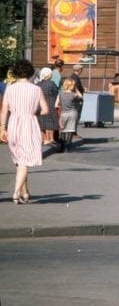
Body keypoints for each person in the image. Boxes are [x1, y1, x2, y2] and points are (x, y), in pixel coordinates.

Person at [0, 59, 48, 204]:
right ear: (30, 72)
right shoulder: (36, 89)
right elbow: (45, 110)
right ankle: (16, 192)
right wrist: (33, 113)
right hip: (29, 123)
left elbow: (4, 110)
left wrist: (2, 128)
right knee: (25, 160)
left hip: (13, 123)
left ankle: (25, 192)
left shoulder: (10, 88)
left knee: (19, 159)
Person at [56, 78, 82, 152]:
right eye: (73, 85)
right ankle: (68, 146)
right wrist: (76, 89)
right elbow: (81, 96)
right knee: (70, 129)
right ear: (70, 85)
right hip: (73, 113)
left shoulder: (60, 93)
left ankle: (62, 146)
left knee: (63, 130)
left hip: (63, 113)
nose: (74, 86)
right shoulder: (74, 94)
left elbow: (56, 104)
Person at [36, 67, 59, 145]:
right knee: (51, 122)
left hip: (39, 105)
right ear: (48, 75)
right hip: (50, 104)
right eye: (51, 74)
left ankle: (43, 139)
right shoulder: (52, 84)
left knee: (41, 123)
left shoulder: (38, 84)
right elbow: (56, 93)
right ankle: (51, 139)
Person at [68, 64, 85, 131]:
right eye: (81, 70)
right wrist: (82, 92)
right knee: (76, 116)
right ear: (79, 70)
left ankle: (73, 131)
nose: (82, 71)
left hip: (72, 98)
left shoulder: (71, 76)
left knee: (73, 116)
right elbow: (76, 88)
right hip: (77, 99)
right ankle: (74, 131)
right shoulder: (76, 78)